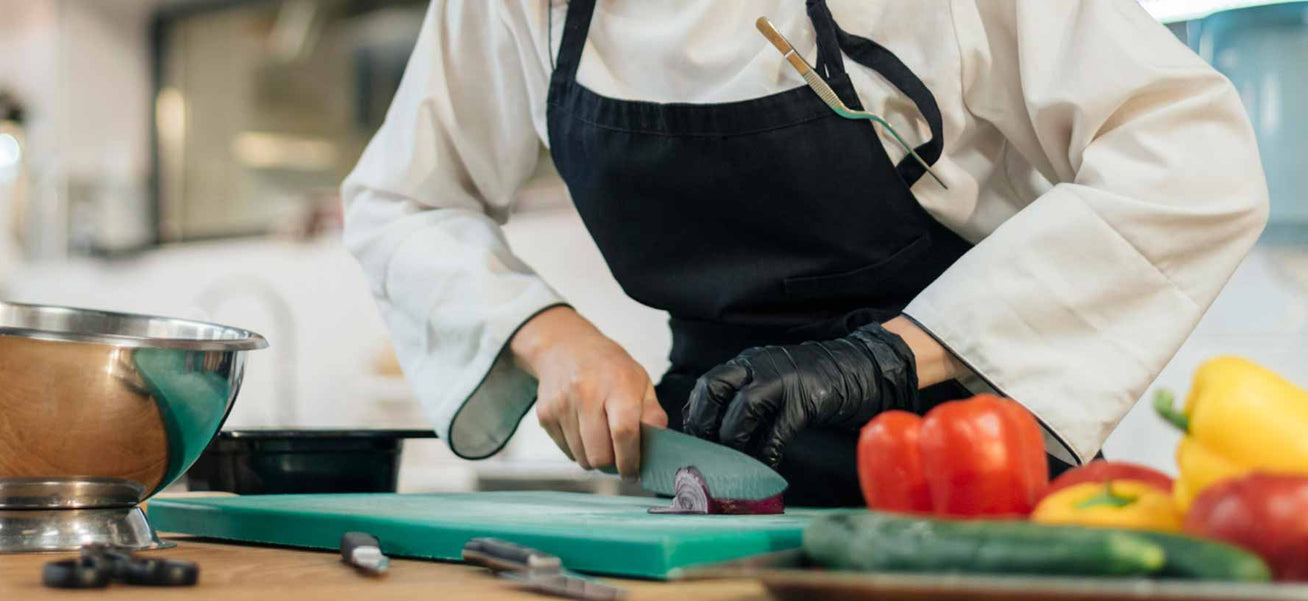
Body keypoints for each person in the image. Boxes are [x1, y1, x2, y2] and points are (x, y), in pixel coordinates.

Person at [342, 0, 1268, 506]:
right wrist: (553, 338)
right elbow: (402, 198)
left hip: (972, 471)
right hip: (707, 490)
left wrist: (888, 355)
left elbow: (1194, 157)